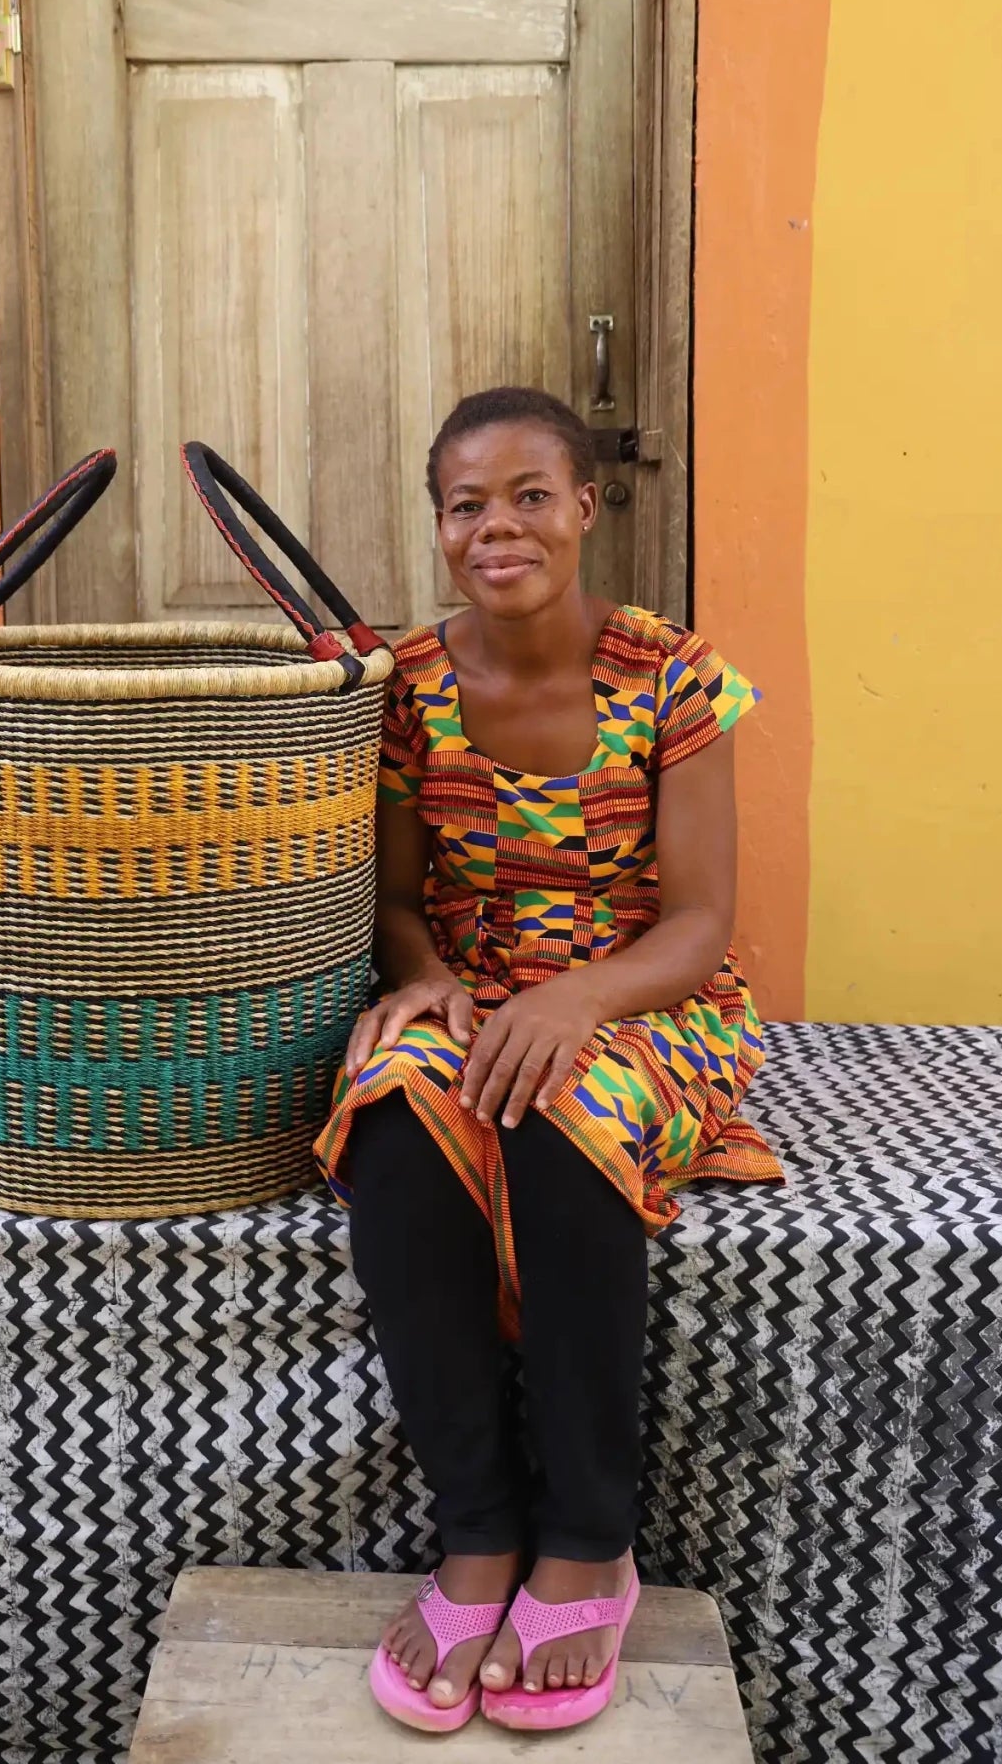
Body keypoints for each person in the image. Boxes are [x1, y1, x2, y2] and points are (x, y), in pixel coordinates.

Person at [314, 386, 783, 1735]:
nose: (496, 527)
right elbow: (393, 899)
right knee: (394, 1119)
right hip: (472, 993)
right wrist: (426, 986)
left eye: (530, 495)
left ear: (586, 506)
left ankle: (585, 1536)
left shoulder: (675, 678)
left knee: (554, 1115)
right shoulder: (408, 689)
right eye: (466, 504)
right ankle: (476, 1530)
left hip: (644, 1002)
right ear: (439, 526)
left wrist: (571, 1004)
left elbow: (696, 925)